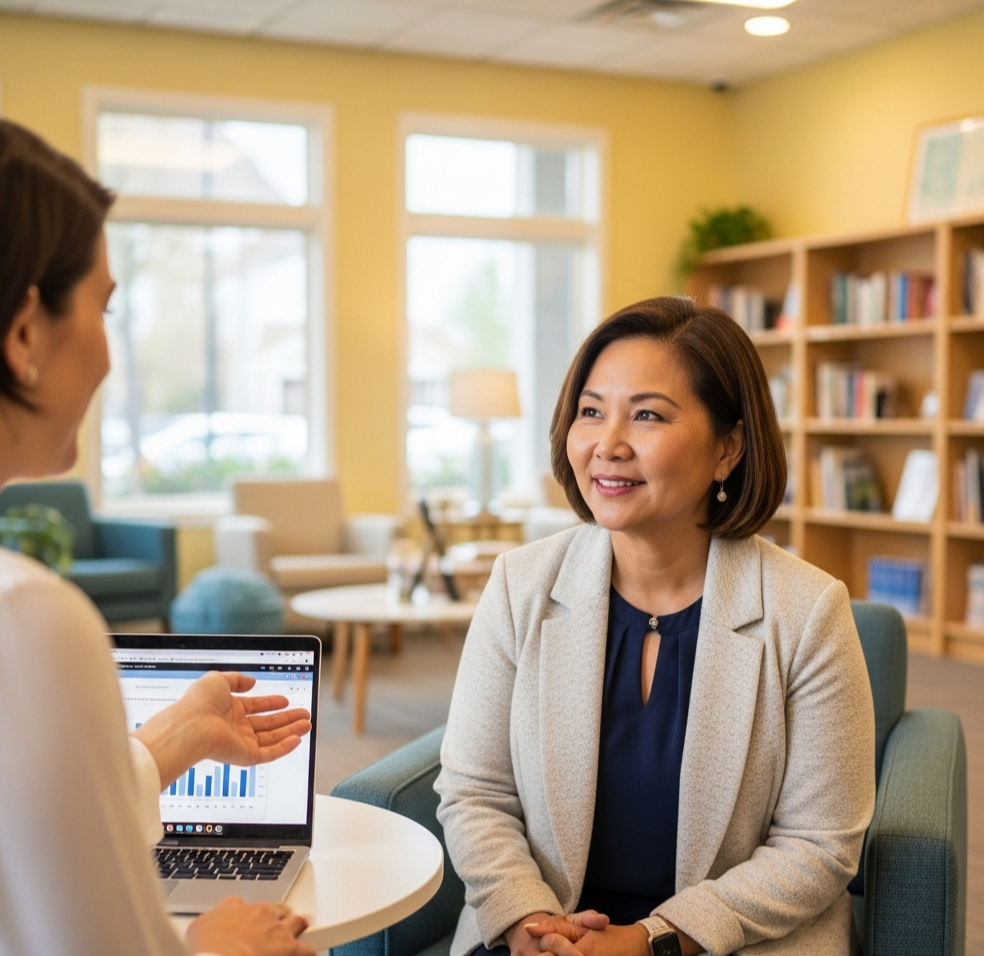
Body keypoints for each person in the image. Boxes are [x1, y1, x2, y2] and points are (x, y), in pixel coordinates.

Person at [434, 297, 876, 956]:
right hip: (539, 935)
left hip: (725, 941)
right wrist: (529, 921)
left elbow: (818, 845)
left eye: (647, 415)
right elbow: (477, 790)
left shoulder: (807, 611)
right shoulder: (519, 586)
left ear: (728, 448)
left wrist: (653, 940)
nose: (607, 445)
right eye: (591, 411)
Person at [0, 118, 317, 956]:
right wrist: (223, 946)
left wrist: (174, 739)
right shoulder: (26, 614)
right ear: (27, 332)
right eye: (103, 309)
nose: (108, 356)